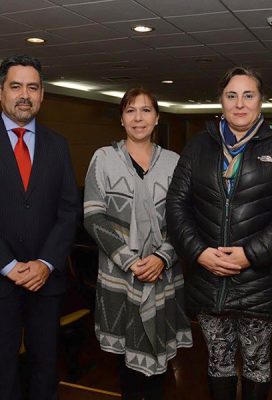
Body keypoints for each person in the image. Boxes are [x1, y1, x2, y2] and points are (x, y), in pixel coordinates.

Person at [166, 67, 272, 400]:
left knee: (257, 363)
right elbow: (176, 207)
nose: (239, 104)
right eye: (232, 95)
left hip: (259, 281)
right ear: (221, 101)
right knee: (218, 362)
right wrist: (200, 252)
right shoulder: (198, 146)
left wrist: (250, 254)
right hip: (207, 278)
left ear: (262, 101)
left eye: (248, 95)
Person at [84, 87, 193, 399]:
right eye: (131, 110)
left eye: (146, 110)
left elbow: (183, 220)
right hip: (121, 275)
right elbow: (93, 217)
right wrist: (130, 260)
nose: (138, 117)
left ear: (157, 118)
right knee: (125, 370)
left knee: (161, 366)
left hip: (163, 274)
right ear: (121, 118)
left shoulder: (174, 162)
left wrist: (162, 257)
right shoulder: (103, 159)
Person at [0, 55, 81, 400]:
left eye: (32, 87)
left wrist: (45, 263)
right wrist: (8, 265)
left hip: (45, 282)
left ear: (42, 94)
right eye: (16, 86)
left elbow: (68, 210)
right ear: (1, 92)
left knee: (44, 369)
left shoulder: (58, 144)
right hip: (1, 279)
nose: (24, 94)